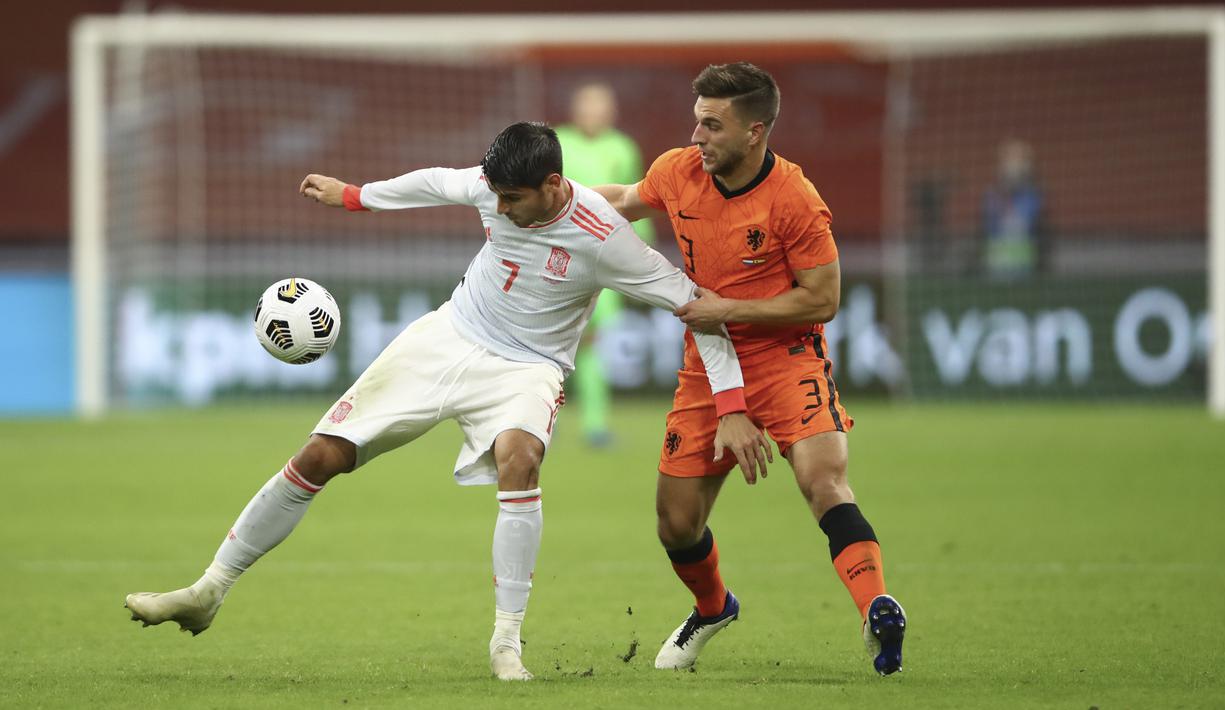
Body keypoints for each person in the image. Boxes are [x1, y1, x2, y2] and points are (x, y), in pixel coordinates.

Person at [123, 122, 772, 682]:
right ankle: (207, 592)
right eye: (494, 195)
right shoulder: (493, 190)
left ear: (551, 186)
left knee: (520, 460)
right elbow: (434, 181)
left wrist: (733, 405)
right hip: (448, 335)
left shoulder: (603, 238)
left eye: (512, 199)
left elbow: (696, 308)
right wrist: (354, 197)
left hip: (527, 367)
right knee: (320, 455)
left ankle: (505, 642)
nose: (499, 208)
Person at [594, 62, 907, 675]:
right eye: (696, 122)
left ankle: (877, 610)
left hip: (785, 357)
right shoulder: (677, 172)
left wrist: (727, 309)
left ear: (755, 131)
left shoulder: (794, 198)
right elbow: (626, 201)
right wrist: (555, 201)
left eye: (712, 125)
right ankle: (713, 608)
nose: (698, 137)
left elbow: (824, 298)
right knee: (676, 523)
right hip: (706, 369)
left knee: (825, 480)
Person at [555, 81, 656, 447]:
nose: (592, 113)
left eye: (599, 106)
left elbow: (639, 201)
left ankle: (595, 425)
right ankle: (541, 418)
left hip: (606, 257)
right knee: (553, 342)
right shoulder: (556, 142)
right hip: (560, 257)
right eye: (586, 105)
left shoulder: (622, 148)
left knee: (592, 342)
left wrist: (644, 257)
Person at [982, 138, 1046, 279]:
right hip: (997, 262)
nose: (1013, 167)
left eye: (1019, 161)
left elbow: (1034, 224)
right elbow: (989, 225)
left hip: (1026, 262)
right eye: (1010, 160)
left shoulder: (1033, 195)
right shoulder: (992, 195)